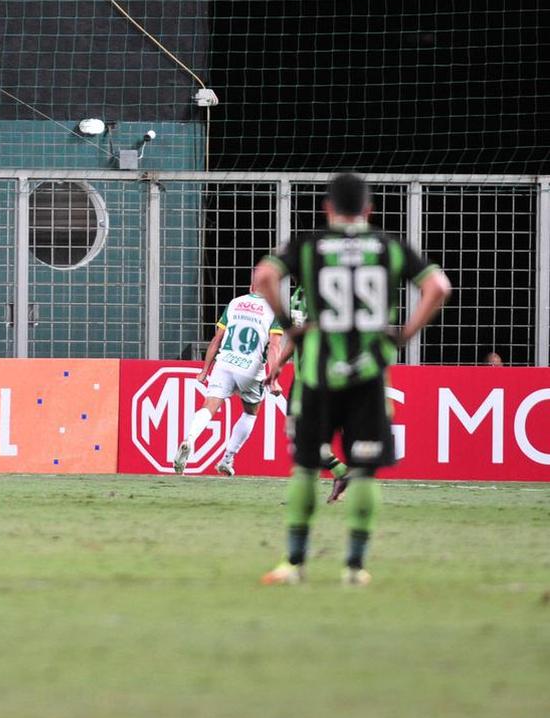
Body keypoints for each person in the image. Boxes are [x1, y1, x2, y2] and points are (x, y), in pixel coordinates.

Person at [254, 173, 451, 586]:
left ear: (327, 209)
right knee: (363, 472)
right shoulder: (389, 246)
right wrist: (409, 331)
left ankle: (293, 564)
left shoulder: (309, 245)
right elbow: (438, 286)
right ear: (369, 209)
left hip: (317, 376)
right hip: (368, 376)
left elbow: (264, 277)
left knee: (306, 470)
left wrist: (290, 326)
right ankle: (354, 568)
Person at [172, 283, 283, 477]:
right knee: (251, 412)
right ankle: (227, 459)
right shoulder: (275, 310)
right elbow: (274, 347)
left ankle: (190, 439)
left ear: (251, 286)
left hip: (224, 363)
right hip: (250, 367)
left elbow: (217, 339)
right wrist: (274, 379)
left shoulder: (235, 303)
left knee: (209, 406)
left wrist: (205, 371)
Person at [268, 285, 352, 503]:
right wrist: (279, 365)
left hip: (317, 375)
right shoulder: (299, 294)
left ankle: (341, 472)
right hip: (304, 374)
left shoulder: (321, 291)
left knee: (299, 433)